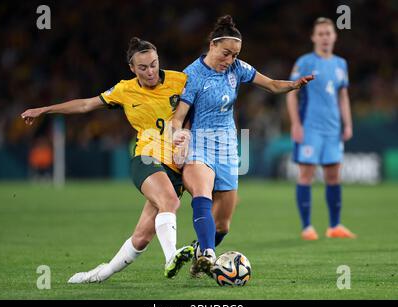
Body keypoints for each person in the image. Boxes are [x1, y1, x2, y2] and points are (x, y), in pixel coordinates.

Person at [21, 37, 194, 283]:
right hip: (147, 158)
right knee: (169, 201)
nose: (150, 71)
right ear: (132, 69)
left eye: (154, 64)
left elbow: (201, 109)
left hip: (177, 164)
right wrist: (44, 110)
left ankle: (99, 274)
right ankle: (170, 258)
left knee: (141, 237)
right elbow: (85, 106)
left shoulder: (180, 80)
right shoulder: (124, 90)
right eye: (143, 68)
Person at [172, 15, 314, 276]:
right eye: (226, 53)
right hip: (199, 145)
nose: (230, 60)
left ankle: (197, 253)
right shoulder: (191, 75)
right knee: (202, 193)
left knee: (223, 225)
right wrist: (178, 138)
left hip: (227, 147)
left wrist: (293, 85)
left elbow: (271, 84)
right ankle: (208, 255)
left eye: (235, 54)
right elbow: (178, 117)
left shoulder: (237, 68)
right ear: (212, 46)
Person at [286, 17, 356, 240]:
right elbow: (291, 94)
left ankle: (334, 226)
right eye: (321, 34)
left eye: (329, 33)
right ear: (314, 37)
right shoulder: (305, 62)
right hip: (310, 128)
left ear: (334, 36)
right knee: (306, 175)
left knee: (334, 175)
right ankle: (307, 227)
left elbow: (343, 96)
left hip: (333, 129)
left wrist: (348, 123)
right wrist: (296, 123)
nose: (325, 37)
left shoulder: (340, 64)